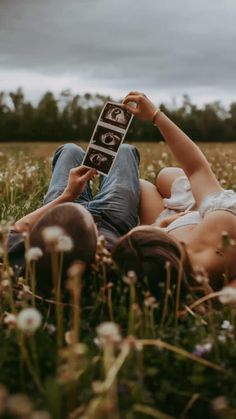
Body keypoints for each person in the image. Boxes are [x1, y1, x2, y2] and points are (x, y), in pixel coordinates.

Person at [112, 91, 236, 293]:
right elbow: (196, 169)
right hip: (204, 216)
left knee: (148, 183)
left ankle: (193, 204)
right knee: (160, 178)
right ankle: (198, 203)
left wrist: (160, 224)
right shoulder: (222, 226)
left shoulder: (174, 281)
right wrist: (155, 116)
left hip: (180, 220)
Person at [7, 142, 140, 294]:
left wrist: (68, 196)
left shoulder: (25, 261)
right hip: (110, 219)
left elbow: (18, 227)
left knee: (70, 149)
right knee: (123, 151)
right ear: (96, 259)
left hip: (61, 208)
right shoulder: (112, 266)